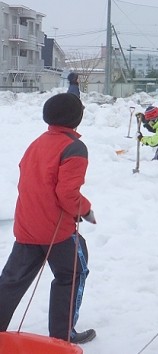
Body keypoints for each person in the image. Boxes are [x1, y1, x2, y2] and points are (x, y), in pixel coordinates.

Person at [0, 93, 96, 344]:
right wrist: (85, 210)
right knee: (73, 273)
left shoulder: (37, 143)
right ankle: (62, 337)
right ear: (76, 117)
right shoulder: (74, 147)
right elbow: (67, 193)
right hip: (57, 231)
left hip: (27, 225)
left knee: (12, 281)